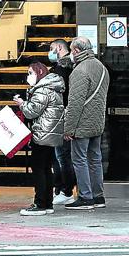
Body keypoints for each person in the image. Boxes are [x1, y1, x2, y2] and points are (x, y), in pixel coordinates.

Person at [64, 36, 110, 210]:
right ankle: (98, 196)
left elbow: (75, 102)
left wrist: (68, 129)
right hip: (97, 122)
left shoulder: (79, 71)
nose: (70, 54)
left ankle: (85, 197)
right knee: (95, 159)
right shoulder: (102, 67)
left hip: (82, 123)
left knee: (79, 159)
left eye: (71, 51)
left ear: (76, 51)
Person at [15, 62, 65, 216]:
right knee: (46, 169)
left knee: (38, 168)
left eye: (30, 73)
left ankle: (40, 203)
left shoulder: (42, 90)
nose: (28, 77)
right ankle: (47, 202)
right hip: (51, 134)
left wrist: (22, 103)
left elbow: (31, 112)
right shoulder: (53, 87)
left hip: (42, 134)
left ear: (40, 72)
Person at [48, 39, 76, 206]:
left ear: (59, 48)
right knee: (62, 156)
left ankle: (65, 190)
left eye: (52, 49)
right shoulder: (70, 67)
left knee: (62, 156)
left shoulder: (61, 69)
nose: (50, 52)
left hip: (61, 116)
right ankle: (62, 189)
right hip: (63, 115)